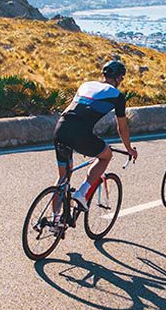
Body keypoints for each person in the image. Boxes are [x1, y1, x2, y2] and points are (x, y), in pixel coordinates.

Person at [53, 59, 138, 211]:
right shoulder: (117, 96)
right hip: (80, 133)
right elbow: (122, 127)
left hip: (61, 127)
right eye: (122, 78)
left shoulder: (86, 85)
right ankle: (82, 193)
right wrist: (129, 148)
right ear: (118, 78)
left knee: (62, 178)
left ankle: (55, 221)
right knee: (106, 156)